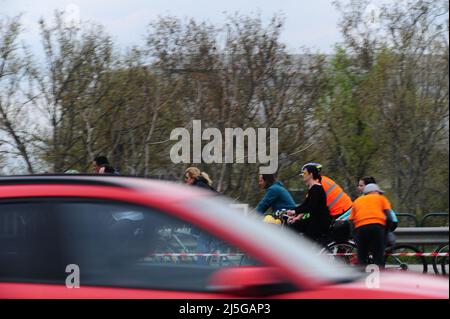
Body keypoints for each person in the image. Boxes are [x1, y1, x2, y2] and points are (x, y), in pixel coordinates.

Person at [349, 183, 393, 268]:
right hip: (377, 228)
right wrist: (385, 232)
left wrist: (354, 235)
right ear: (375, 192)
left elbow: (351, 221)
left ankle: (362, 278)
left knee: (362, 257)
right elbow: (389, 218)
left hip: (361, 229)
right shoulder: (381, 199)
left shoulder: (357, 201)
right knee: (378, 256)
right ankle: (378, 278)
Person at [286, 165, 331, 243]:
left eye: (305, 173)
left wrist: (295, 212)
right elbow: (305, 204)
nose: (303, 175)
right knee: (295, 226)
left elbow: (310, 207)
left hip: (319, 222)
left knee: (294, 228)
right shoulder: (313, 188)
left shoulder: (316, 188)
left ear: (311, 174)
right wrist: (294, 212)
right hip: (315, 220)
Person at [183, 167, 217, 264]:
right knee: (206, 242)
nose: (185, 180)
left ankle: (200, 266)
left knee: (201, 243)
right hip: (214, 219)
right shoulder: (201, 185)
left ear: (192, 177)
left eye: (186, 177)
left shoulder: (198, 187)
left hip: (212, 220)